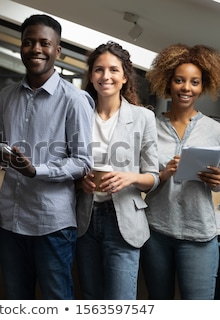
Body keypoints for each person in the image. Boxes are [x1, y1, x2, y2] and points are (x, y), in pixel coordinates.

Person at [0, 14, 94, 299]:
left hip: (52, 225)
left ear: (57, 51)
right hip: (10, 221)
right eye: (28, 42)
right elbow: (1, 149)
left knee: (56, 301)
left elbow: (83, 161)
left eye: (44, 43)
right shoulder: (6, 96)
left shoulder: (75, 99)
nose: (36, 49)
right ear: (21, 46)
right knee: (16, 300)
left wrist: (37, 171)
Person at [140, 43, 220, 299]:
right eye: (179, 80)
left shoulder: (216, 131)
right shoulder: (150, 127)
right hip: (156, 232)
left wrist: (217, 180)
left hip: (199, 234)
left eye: (194, 82)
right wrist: (162, 174)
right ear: (168, 82)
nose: (186, 88)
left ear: (203, 86)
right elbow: (141, 181)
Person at [75, 41, 159, 300]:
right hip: (84, 218)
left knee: (121, 301)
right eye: (99, 70)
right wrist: (81, 182)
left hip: (123, 220)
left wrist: (129, 177)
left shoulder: (143, 117)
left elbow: (153, 177)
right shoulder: (78, 114)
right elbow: (68, 165)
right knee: (90, 298)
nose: (106, 76)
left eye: (113, 70)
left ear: (124, 77)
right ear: (91, 76)